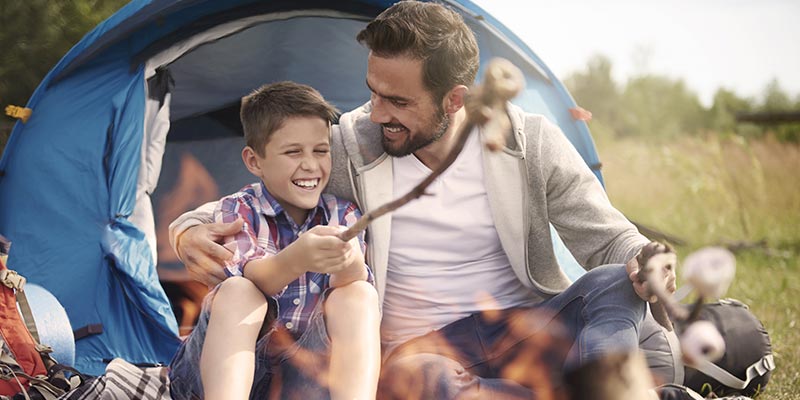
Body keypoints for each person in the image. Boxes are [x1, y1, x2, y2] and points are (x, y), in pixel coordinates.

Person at [169, 2, 676, 398]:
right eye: (374, 93)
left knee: (612, 285)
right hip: (420, 354)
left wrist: (644, 259)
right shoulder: (350, 143)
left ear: (454, 99)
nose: (377, 112)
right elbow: (260, 192)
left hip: (523, 330)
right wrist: (186, 230)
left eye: (398, 101)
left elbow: (611, 240)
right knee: (427, 384)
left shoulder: (529, 143)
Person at [168, 81, 381, 400]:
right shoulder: (238, 209)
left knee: (359, 293)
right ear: (255, 162)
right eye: (293, 152)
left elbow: (351, 282)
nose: (310, 164)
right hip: (218, 375)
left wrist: (349, 262)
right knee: (240, 290)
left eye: (320, 151)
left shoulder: (343, 213)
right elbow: (250, 277)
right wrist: (296, 258)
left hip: (298, 379)